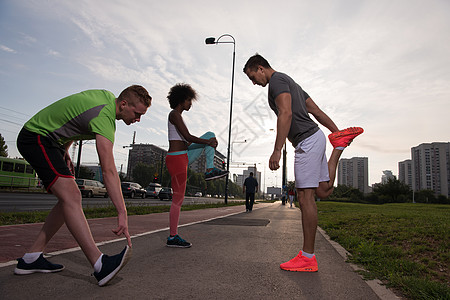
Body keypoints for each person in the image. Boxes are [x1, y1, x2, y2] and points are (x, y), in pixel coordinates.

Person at [15, 85, 152, 286]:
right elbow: (109, 170)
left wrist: (66, 150)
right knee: (72, 197)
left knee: (66, 200)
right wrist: (122, 212)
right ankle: (100, 264)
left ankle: (31, 258)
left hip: (51, 141)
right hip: (36, 137)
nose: (138, 119)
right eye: (137, 113)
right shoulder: (105, 118)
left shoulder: (105, 98)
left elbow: (73, 119)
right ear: (124, 104)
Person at [243, 54, 363, 272]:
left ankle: (307, 257)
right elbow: (315, 111)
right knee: (323, 190)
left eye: (252, 77)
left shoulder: (277, 82)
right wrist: (338, 134)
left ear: (260, 68)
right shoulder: (291, 82)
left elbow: (286, 113)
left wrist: (277, 150)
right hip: (315, 137)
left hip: (306, 141)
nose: (253, 83)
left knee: (305, 197)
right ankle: (338, 147)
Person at [165, 83, 228, 248]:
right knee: (178, 199)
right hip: (177, 158)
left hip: (183, 154)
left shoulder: (178, 116)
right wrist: (207, 142)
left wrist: (209, 141)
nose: (190, 104)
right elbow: (187, 136)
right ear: (181, 100)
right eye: (188, 100)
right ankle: (173, 236)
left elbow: (186, 140)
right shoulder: (174, 115)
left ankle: (209, 170)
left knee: (211, 135)